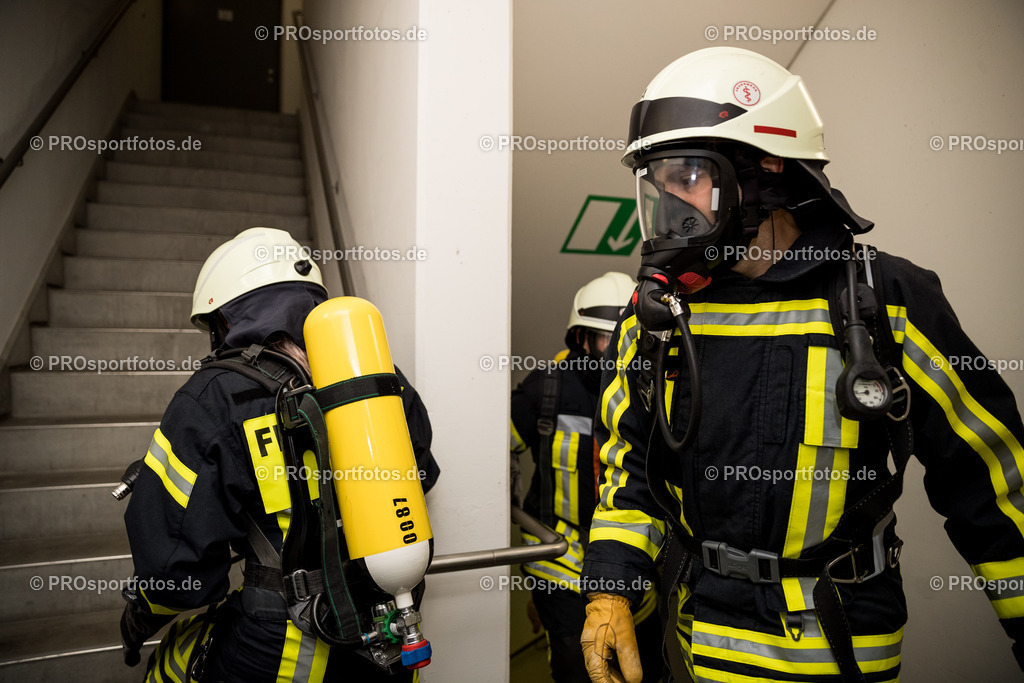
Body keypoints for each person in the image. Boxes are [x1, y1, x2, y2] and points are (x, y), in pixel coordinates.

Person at [578, 47, 1024, 682]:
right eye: (658, 181)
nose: (669, 202)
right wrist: (610, 590)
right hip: (703, 642)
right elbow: (632, 475)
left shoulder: (885, 300)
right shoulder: (656, 317)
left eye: (688, 176)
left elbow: (993, 484)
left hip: (841, 648)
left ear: (765, 170)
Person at [119, 227, 440, 682]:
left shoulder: (214, 396)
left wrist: (142, 612)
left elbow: (175, 567)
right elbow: (421, 474)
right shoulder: (381, 378)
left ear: (227, 320)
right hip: (386, 641)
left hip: (281, 651)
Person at [511, 272, 662, 682]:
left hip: (633, 564)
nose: (615, 350)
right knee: (578, 668)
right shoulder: (545, 389)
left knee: (642, 664)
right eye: (603, 340)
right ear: (580, 339)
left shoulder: (655, 391)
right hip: (559, 561)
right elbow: (491, 452)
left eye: (623, 338)